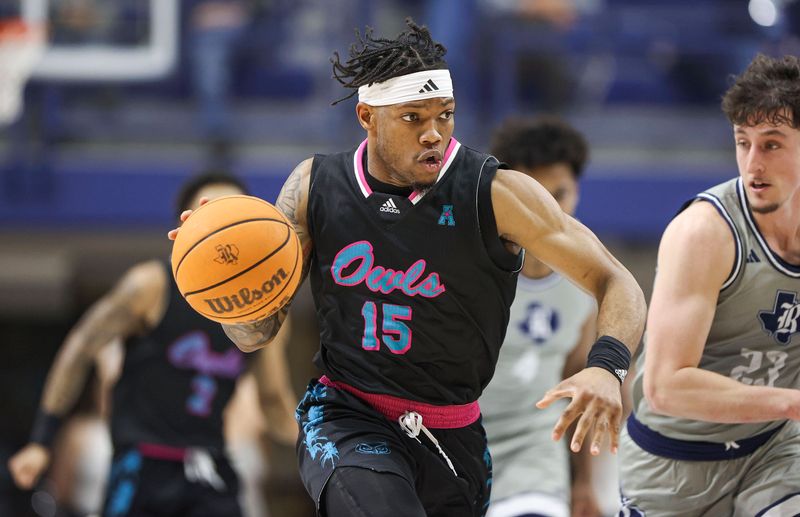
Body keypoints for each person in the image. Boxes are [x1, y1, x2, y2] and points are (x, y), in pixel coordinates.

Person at [172, 19, 646, 517]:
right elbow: (253, 335)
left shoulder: (496, 193)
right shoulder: (315, 187)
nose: (433, 134)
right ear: (367, 117)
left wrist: (607, 368)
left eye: (445, 116)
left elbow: (618, 281)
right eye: (413, 117)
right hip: (347, 416)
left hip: (453, 433)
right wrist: (221, 278)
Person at [9, 171, 298, 517]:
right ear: (185, 229)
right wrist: (42, 440)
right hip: (144, 461)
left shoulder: (263, 307)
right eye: (210, 211)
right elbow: (81, 347)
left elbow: (273, 399)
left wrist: (325, 446)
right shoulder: (150, 286)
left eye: (230, 212)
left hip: (209, 462)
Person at [618, 54, 800, 516]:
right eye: (744, 143)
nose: (752, 164)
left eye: (772, 144)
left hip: (773, 447)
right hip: (673, 467)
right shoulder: (705, 232)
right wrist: (792, 402)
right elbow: (666, 385)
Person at [480, 118, 602, 517]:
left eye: (559, 194)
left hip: (536, 453)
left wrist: (584, 483)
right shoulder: (467, 269)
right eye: (533, 196)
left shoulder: (589, 283)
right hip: (458, 439)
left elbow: (580, 384)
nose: (547, 211)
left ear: (577, 192)